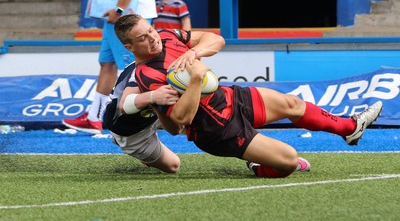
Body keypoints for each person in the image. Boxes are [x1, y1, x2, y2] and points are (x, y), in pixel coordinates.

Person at [114, 14, 383, 178]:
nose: (152, 38)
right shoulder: (146, 77)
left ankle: (350, 128)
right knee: (290, 162)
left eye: (150, 30)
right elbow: (178, 124)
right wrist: (195, 79)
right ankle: (259, 165)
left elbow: (216, 40)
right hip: (217, 129)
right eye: (143, 38)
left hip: (230, 98)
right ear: (129, 46)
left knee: (293, 104)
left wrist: (195, 52)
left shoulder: (168, 35)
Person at [63, 0, 157, 134]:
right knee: (107, 64)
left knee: (133, 67)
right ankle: (94, 118)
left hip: (128, 14)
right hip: (115, 13)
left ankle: (140, 121)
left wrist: (120, 9)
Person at [102, 61, 183, 173]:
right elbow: (125, 106)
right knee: (173, 165)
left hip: (150, 115)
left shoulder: (173, 60)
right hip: (130, 128)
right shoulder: (143, 70)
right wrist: (154, 98)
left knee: (196, 116)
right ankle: (123, 142)